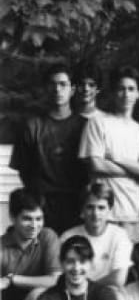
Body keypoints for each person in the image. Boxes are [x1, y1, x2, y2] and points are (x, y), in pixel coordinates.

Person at [79, 66, 139, 242]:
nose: (126, 94)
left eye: (131, 89)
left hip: (133, 212)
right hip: (103, 213)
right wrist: (135, 170)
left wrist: (115, 158)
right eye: (121, 89)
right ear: (114, 93)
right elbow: (96, 164)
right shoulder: (98, 123)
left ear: (138, 94)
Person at [10, 63, 88, 234]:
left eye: (63, 84)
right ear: (46, 88)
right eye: (52, 84)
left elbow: (90, 169)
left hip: (76, 205)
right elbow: (23, 170)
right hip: (41, 206)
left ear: (72, 90)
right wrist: (37, 198)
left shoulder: (85, 127)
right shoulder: (32, 126)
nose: (57, 89)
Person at [1, 189, 62, 300]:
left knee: (38, 293)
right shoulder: (2, 246)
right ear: (13, 218)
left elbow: (55, 280)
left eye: (39, 219)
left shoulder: (47, 237)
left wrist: (13, 279)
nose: (34, 225)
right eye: (27, 219)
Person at [60, 183, 133, 287]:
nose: (95, 213)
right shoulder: (68, 237)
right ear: (82, 210)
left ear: (109, 210)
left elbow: (118, 279)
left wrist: (87, 288)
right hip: (73, 291)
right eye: (90, 207)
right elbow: (63, 276)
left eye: (101, 208)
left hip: (107, 291)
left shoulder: (120, 236)